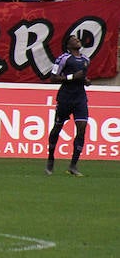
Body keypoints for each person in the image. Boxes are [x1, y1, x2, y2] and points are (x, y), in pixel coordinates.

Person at [45, 35, 90, 177]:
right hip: (65, 98)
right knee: (57, 128)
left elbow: (81, 78)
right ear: (68, 45)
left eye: (78, 39)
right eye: (73, 39)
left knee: (82, 128)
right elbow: (53, 78)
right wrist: (71, 77)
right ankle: (51, 158)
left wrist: (86, 81)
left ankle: (73, 165)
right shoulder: (63, 59)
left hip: (80, 98)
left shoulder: (85, 60)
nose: (77, 40)